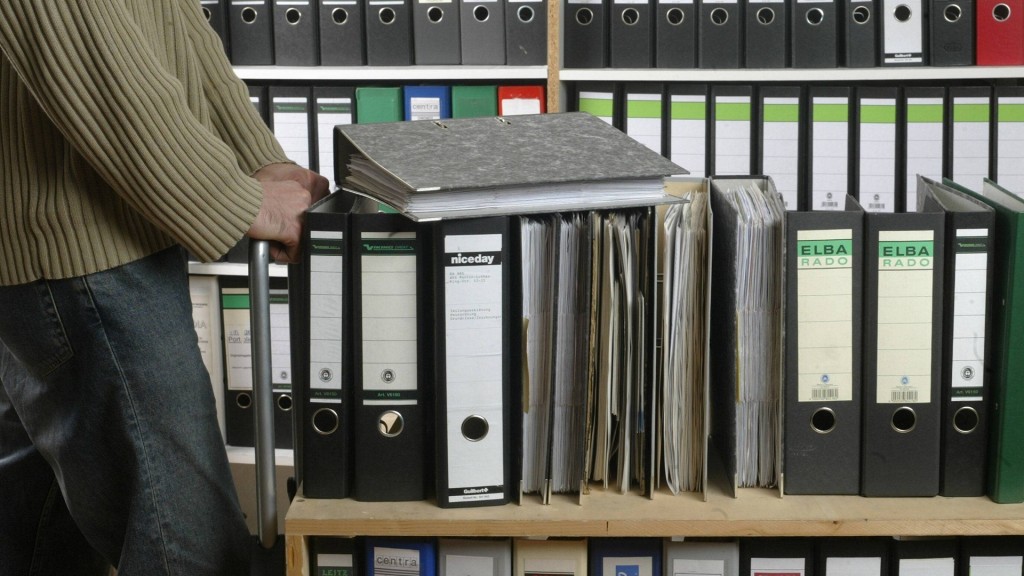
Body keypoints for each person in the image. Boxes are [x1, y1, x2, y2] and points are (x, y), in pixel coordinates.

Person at [0, 1, 329, 574]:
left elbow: (165, 16)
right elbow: (80, 36)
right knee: (190, 551)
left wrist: (253, 156)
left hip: (85, 237)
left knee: (39, 537)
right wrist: (231, 195)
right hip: (84, 251)